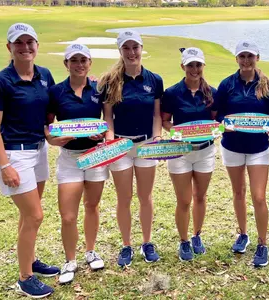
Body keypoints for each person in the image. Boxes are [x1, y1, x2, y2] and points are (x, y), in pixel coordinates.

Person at [0, 23, 60, 298]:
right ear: (9, 48)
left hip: (38, 151)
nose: (25, 47)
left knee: (28, 215)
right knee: (35, 215)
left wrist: (92, 84)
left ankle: (30, 260)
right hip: (14, 154)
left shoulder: (44, 75)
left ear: (37, 46)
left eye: (30, 42)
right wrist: (5, 165)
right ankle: (25, 277)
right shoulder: (0, 81)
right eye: (19, 43)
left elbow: (50, 112)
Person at [97, 30, 164, 266]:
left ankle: (147, 242)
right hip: (121, 145)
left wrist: (157, 138)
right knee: (124, 198)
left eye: (135, 47)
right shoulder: (109, 81)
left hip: (147, 144)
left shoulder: (154, 80)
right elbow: (108, 117)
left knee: (145, 197)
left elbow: (157, 115)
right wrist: (111, 139)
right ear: (120, 51)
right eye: (126, 48)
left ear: (141, 48)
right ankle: (126, 245)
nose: (131, 52)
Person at [46, 44, 107, 284]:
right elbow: (48, 127)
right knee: (68, 215)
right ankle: (70, 260)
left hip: (94, 155)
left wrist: (101, 135)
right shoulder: (56, 92)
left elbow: (106, 123)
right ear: (66, 64)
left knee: (92, 206)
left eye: (84, 60)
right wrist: (54, 139)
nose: (79, 64)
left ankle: (90, 251)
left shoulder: (99, 89)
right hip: (70, 158)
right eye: (74, 60)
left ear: (90, 63)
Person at [214, 40, 269, 267]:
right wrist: (223, 125)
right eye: (242, 56)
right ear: (236, 59)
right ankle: (243, 234)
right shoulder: (227, 84)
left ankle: (262, 243)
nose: (246, 61)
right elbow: (217, 117)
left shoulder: (267, 85)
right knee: (238, 192)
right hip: (232, 146)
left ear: (257, 57)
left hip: (258, 147)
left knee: (258, 196)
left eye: (250, 56)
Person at [161, 47, 218, 261]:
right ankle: (184, 241)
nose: (194, 69)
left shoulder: (212, 92)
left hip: (205, 150)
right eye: (190, 65)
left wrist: (216, 128)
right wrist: (175, 131)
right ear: (182, 66)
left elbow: (215, 120)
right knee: (184, 200)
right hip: (180, 151)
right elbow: (166, 120)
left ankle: (196, 236)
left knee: (200, 197)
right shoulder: (172, 92)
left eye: (198, 65)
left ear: (203, 66)